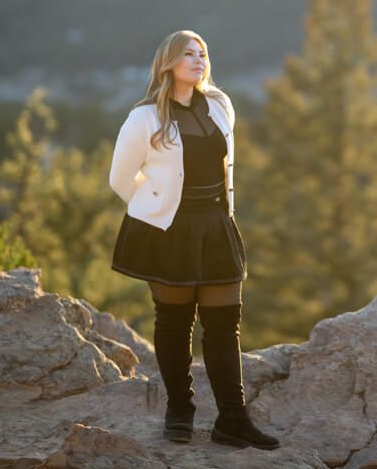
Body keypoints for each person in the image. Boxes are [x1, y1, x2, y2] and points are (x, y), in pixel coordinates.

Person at [108, 29, 280, 450]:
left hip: (216, 224)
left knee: (224, 324)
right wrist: (155, 207)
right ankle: (179, 410)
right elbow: (120, 179)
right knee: (174, 322)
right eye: (188, 53)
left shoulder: (220, 105)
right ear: (168, 62)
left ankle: (233, 419)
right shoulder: (144, 118)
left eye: (202, 53)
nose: (198, 59)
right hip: (169, 230)